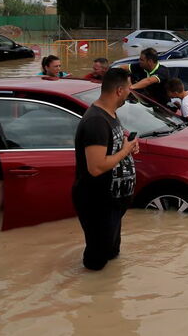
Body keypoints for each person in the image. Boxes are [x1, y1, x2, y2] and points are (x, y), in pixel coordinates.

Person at [72, 68, 140, 271]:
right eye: (129, 88)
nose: (131, 92)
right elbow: (96, 167)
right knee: (96, 261)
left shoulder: (110, 115)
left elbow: (111, 149)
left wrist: (127, 146)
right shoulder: (96, 121)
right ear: (119, 90)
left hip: (112, 201)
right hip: (97, 201)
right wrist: (125, 150)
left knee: (111, 253)